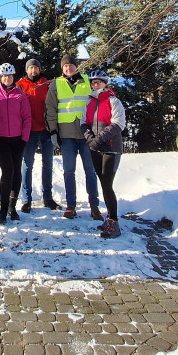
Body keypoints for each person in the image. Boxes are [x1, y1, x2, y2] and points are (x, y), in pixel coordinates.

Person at [45, 54, 102, 221]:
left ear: (76, 66)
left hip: (87, 135)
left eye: (70, 65)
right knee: (68, 171)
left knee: (90, 171)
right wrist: (53, 132)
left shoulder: (88, 81)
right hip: (66, 135)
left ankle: (94, 206)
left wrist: (97, 130)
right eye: (65, 66)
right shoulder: (56, 84)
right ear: (62, 68)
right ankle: (71, 206)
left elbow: (98, 103)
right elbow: (50, 108)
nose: (68, 68)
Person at [0, 62, 32, 224]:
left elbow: (27, 118)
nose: (7, 78)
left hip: (18, 139)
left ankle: (12, 207)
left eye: (9, 76)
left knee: (16, 172)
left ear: (13, 77)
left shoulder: (20, 95)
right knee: (8, 171)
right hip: (0, 138)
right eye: (4, 76)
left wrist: (24, 138)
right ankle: (3, 210)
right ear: (0, 77)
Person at [82, 70, 126, 238]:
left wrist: (98, 139)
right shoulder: (89, 101)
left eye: (99, 82)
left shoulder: (113, 101)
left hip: (111, 148)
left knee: (108, 185)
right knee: (103, 183)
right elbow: (83, 122)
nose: (96, 85)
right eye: (94, 82)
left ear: (105, 83)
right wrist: (89, 139)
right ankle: (109, 219)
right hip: (95, 148)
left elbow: (118, 124)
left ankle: (114, 222)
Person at [17, 58, 61, 212]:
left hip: (46, 131)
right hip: (28, 132)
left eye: (36, 68)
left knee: (47, 165)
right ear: (27, 70)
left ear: (40, 69)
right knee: (27, 165)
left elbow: (56, 105)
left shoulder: (48, 84)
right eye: (31, 68)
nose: (33, 70)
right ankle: (26, 199)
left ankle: (47, 198)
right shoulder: (20, 85)